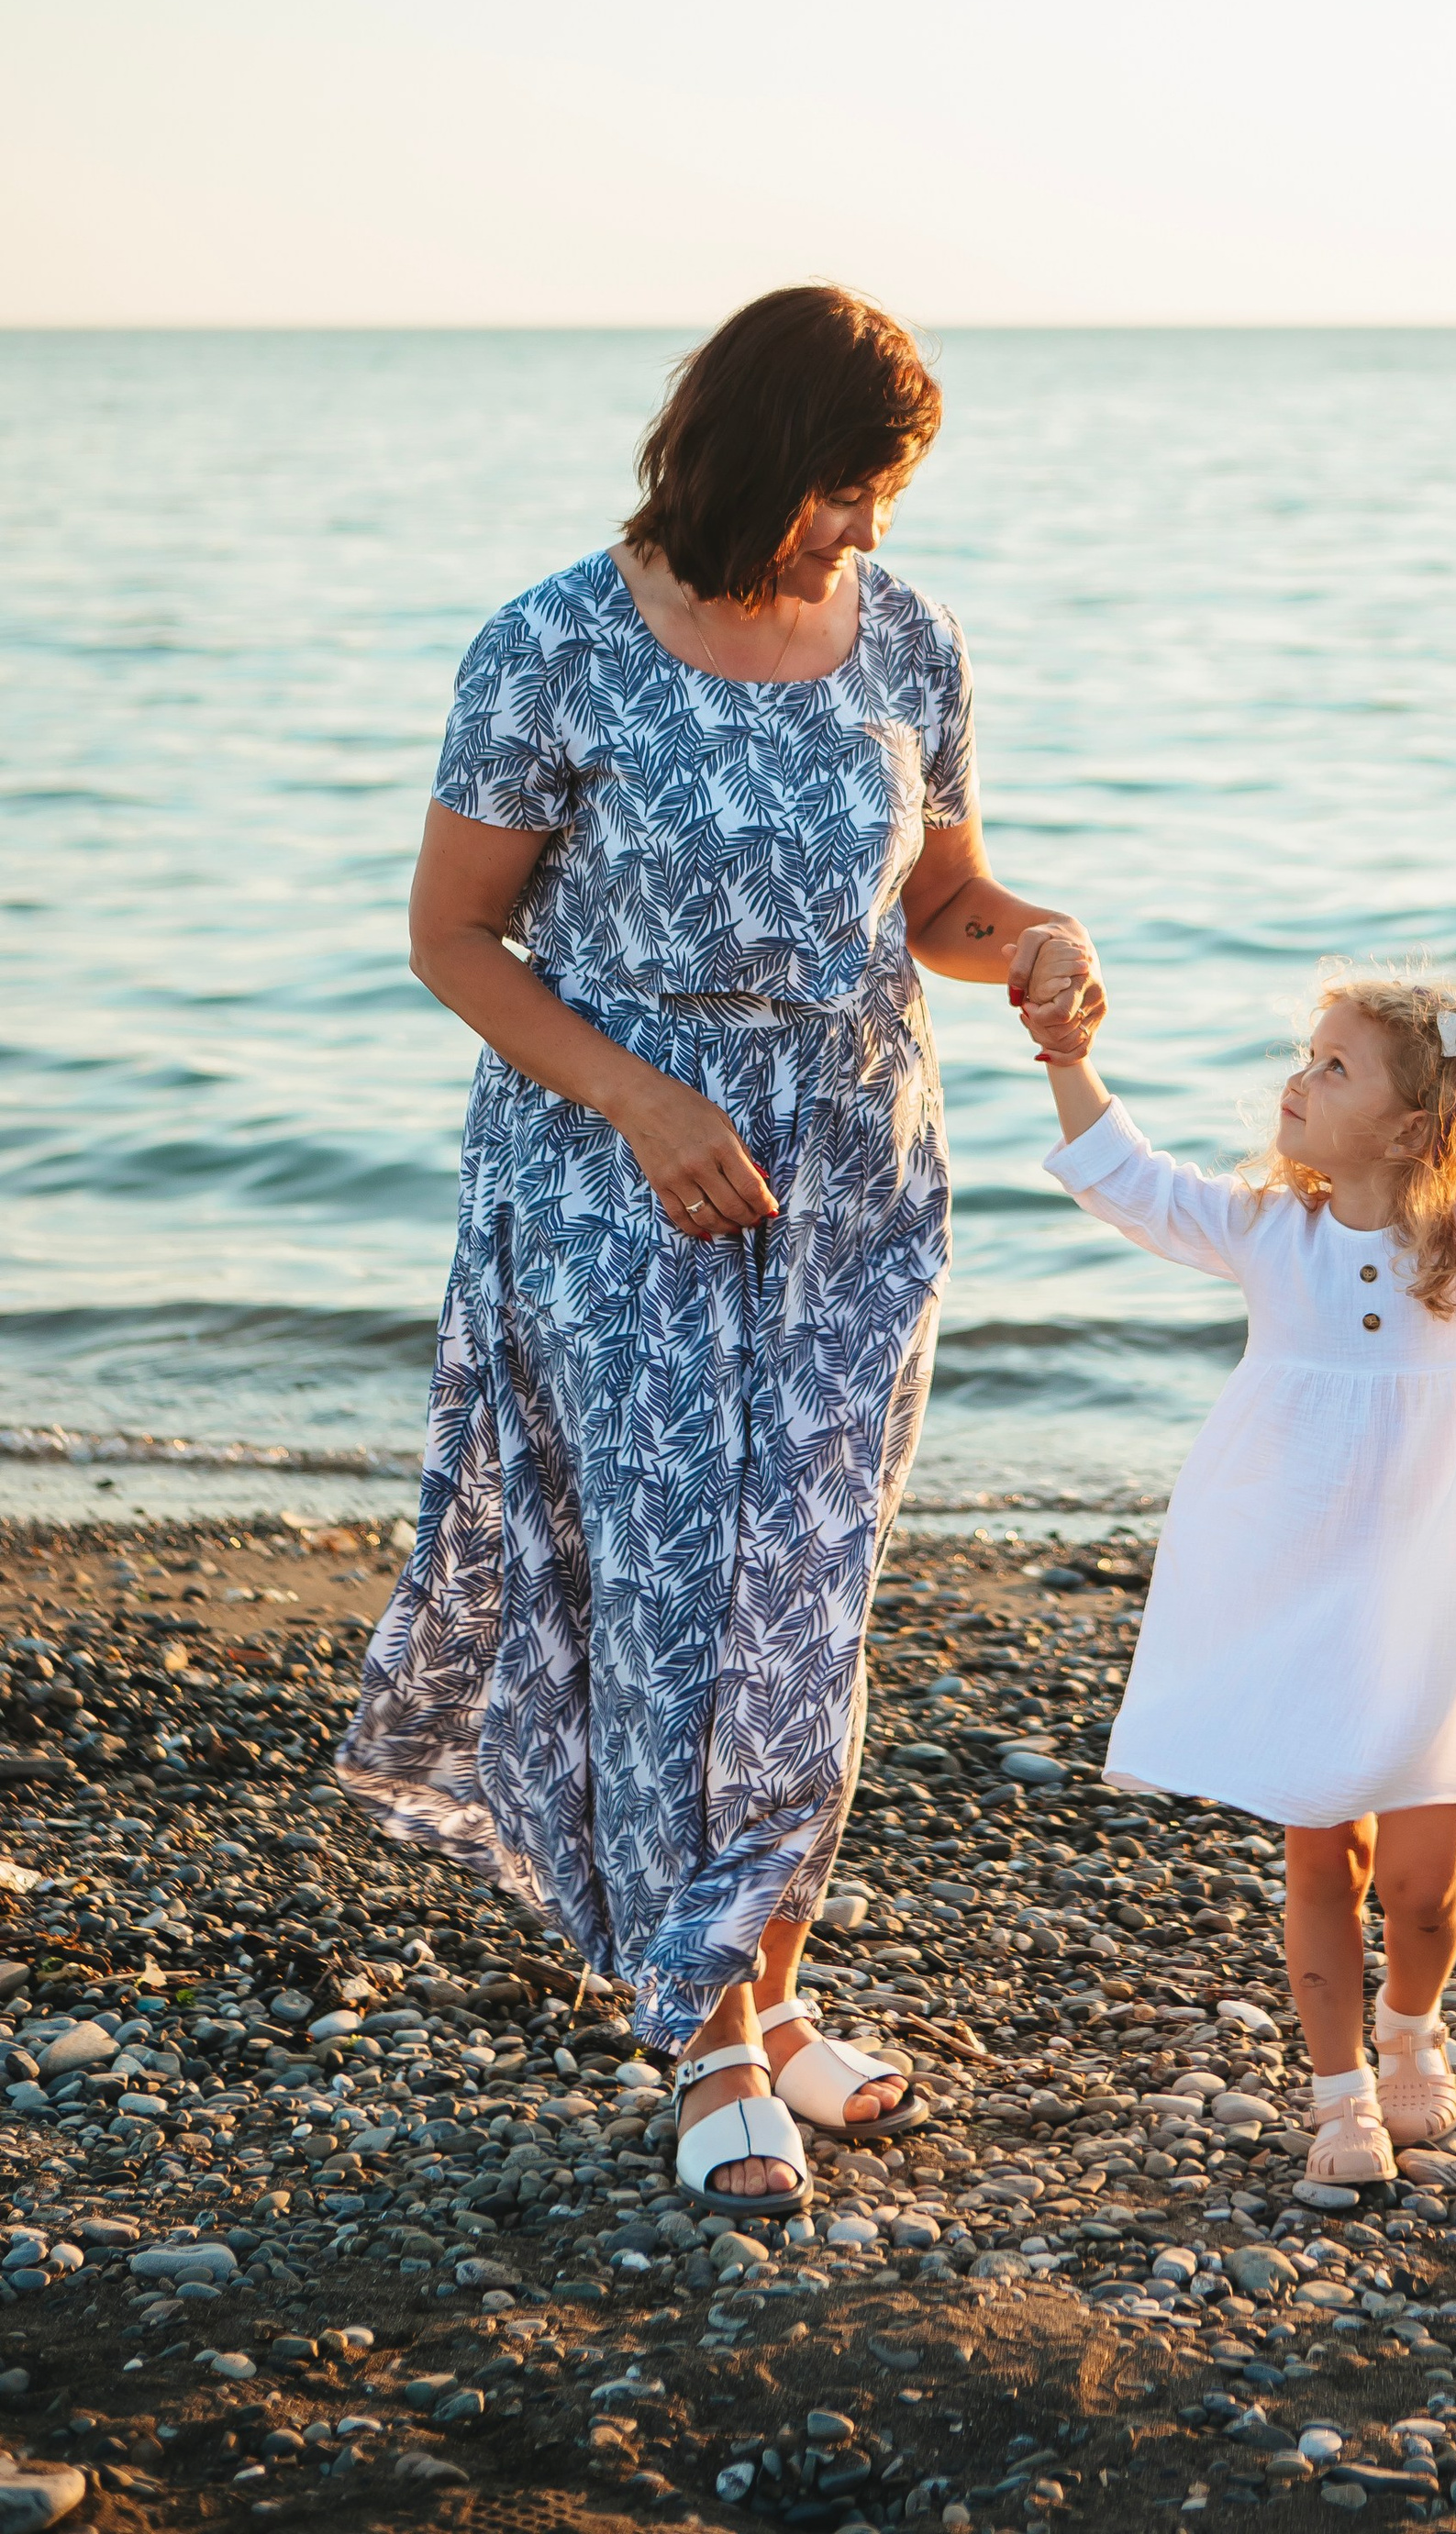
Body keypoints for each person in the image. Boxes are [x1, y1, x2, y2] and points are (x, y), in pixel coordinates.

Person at [337, 284, 1104, 2221]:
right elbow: (452, 941)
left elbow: (932, 889)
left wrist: (1025, 937)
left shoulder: (905, 635)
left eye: (883, 497)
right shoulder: (555, 645)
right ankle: (707, 2041)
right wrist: (646, 1106)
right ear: (750, 456)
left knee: (807, 1598)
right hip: (620, 1189)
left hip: (857, 1178)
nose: (863, 532)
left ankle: (758, 1980)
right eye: (841, 490)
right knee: (678, 1608)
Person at [1015, 945, 1456, 2184]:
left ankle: (1413, 2027)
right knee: (1323, 1851)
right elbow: (1134, 1187)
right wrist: (1068, 1058)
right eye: (1307, 1058)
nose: (1296, 1083)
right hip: (1292, 1589)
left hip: (1440, 1611)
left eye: (1333, 1067)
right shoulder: (1278, 1233)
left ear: (1417, 1125)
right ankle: (1337, 2091)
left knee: (1423, 1885)